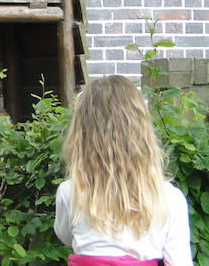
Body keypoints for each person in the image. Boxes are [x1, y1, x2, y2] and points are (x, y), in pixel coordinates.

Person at [54, 75, 193, 266]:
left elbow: (66, 237)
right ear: (142, 132)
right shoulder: (169, 198)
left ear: (81, 135)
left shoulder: (71, 192)